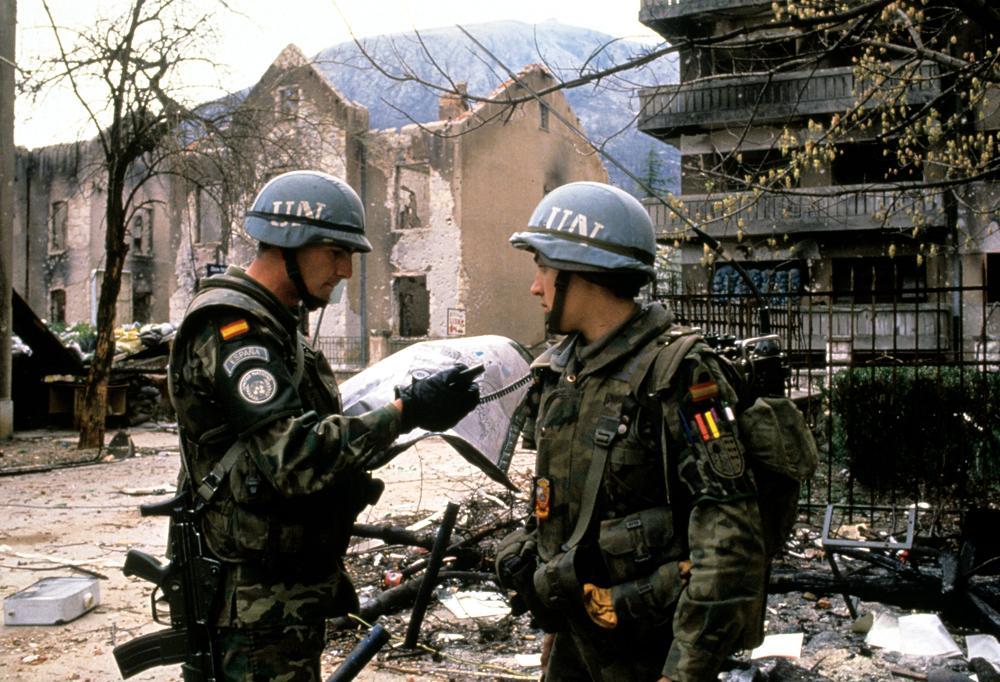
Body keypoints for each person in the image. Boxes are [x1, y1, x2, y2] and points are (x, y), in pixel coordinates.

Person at [168, 170, 479, 680]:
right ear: (291, 241)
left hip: (280, 593)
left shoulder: (280, 326)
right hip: (250, 604)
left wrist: (406, 416)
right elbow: (292, 458)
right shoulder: (235, 330)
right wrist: (403, 413)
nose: (345, 271)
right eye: (336, 252)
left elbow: (311, 436)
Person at [495, 181, 767, 681]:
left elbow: (727, 536)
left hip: (650, 650)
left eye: (543, 268)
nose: (536, 287)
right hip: (580, 639)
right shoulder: (562, 371)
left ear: (583, 272)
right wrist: (557, 625)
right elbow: (560, 512)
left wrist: (685, 669)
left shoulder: (683, 374)